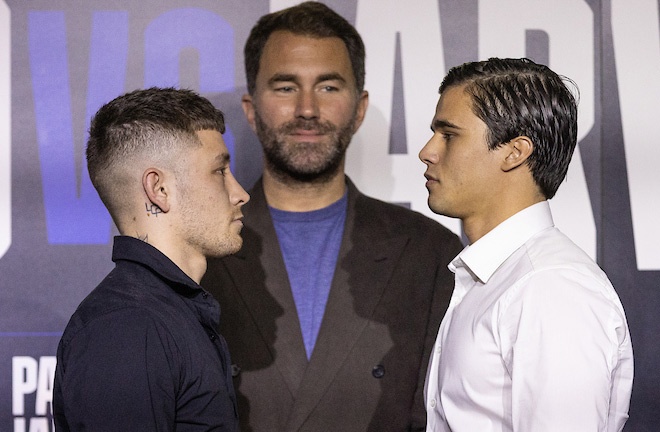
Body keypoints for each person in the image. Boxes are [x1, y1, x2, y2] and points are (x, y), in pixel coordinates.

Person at [200, 2, 463, 431]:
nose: (307, 109)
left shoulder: (430, 253)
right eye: (285, 87)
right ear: (250, 109)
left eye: (328, 87)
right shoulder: (198, 247)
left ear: (359, 109)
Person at [420, 57, 634, 431]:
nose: (428, 151)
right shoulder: (506, 277)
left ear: (514, 152)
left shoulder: (550, 286)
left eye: (449, 135)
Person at [53, 87, 249, 431]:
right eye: (219, 172)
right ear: (159, 189)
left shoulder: (163, 315)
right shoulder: (128, 328)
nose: (240, 194)